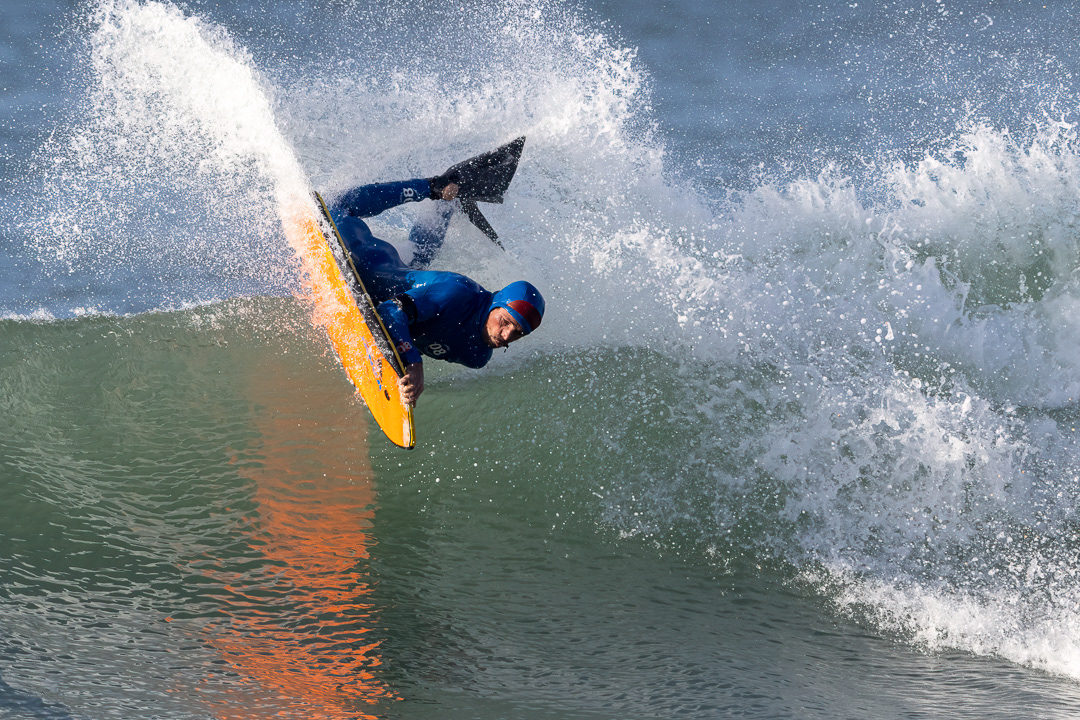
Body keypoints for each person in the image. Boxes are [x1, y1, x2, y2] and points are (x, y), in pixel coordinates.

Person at [326, 139, 544, 407]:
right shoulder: (458, 293)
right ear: (495, 304)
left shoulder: (476, 356)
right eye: (506, 321)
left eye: (518, 333)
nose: (507, 336)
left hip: (404, 278)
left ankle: (451, 201)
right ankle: (434, 186)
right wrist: (413, 362)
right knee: (339, 207)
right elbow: (389, 311)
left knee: (418, 257)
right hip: (367, 265)